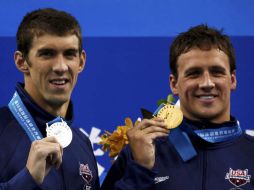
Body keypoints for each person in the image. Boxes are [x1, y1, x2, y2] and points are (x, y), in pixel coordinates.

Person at [101, 24, 254, 190]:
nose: (207, 83)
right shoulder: (139, 153)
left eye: (217, 72)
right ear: (174, 84)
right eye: (194, 73)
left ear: (232, 80)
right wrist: (140, 170)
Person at [0, 8, 99, 190]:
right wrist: (28, 180)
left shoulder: (81, 143)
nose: (60, 67)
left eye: (69, 54)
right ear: (22, 62)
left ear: (81, 62)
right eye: (47, 54)